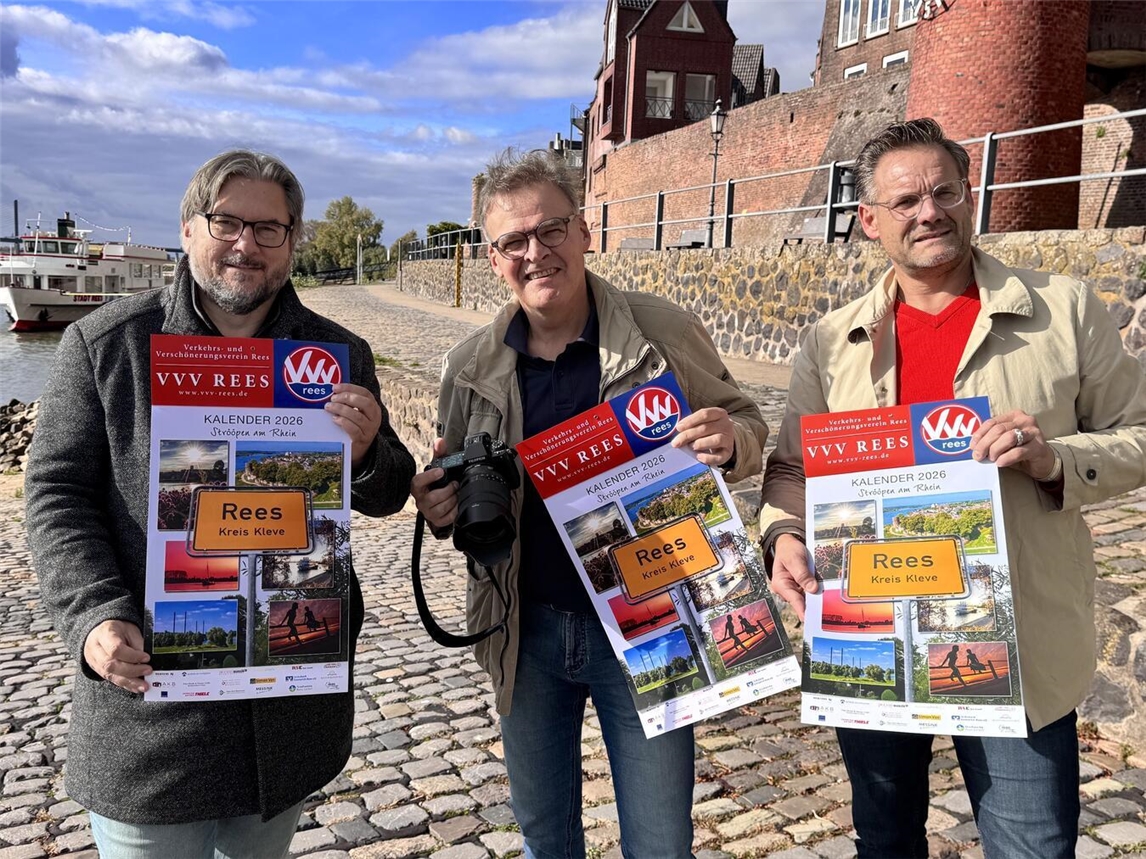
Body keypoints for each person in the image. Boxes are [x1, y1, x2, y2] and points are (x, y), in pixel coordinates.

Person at [759, 118, 1146, 858]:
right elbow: (791, 467)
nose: (928, 211)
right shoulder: (829, 341)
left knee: (1031, 843)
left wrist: (1054, 456)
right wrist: (783, 533)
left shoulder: (1062, 310)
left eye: (943, 191)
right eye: (905, 200)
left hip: (1016, 644)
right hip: (870, 634)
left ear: (972, 197)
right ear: (869, 220)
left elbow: (1140, 432)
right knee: (885, 839)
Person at [25, 149, 416, 858]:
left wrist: (363, 453)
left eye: (270, 229)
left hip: (285, 712)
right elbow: (56, 491)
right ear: (187, 229)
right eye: (227, 221)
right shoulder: (107, 344)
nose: (246, 244)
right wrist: (92, 616)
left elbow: (391, 489)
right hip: (151, 719)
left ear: (295, 241)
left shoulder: (337, 352)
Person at [411, 148, 768, 858]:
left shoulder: (660, 331)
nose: (535, 253)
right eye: (514, 241)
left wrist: (731, 440)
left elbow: (752, 425)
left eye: (550, 231)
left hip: (652, 625)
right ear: (492, 257)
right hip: (526, 631)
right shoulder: (469, 366)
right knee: (546, 836)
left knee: (661, 840)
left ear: (584, 232)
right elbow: (449, 478)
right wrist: (440, 504)